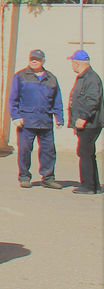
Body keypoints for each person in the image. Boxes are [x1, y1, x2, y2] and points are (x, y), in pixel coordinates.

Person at [8, 49, 66, 189]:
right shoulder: (20, 76)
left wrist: (59, 118)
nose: (34, 61)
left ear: (43, 61)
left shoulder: (51, 78)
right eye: (32, 58)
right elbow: (13, 99)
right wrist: (15, 116)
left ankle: (48, 178)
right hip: (26, 122)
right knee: (25, 150)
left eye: (37, 59)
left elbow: (57, 100)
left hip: (45, 121)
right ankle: (24, 177)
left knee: (48, 151)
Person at [69, 50, 101, 195]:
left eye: (72, 62)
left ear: (77, 63)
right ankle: (94, 185)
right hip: (86, 122)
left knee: (85, 152)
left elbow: (93, 100)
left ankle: (88, 186)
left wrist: (83, 117)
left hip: (89, 123)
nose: (71, 65)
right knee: (88, 153)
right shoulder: (83, 77)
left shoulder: (91, 78)